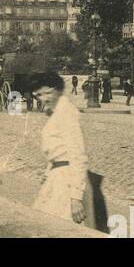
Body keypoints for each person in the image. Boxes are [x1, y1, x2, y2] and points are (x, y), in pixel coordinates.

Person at [29, 72, 89, 225]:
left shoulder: (66, 113)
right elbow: (59, 151)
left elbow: (77, 156)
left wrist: (76, 198)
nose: (42, 100)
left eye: (45, 94)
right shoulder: (58, 113)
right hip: (56, 179)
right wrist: (49, 171)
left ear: (56, 90)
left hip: (66, 182)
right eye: (38, 95)